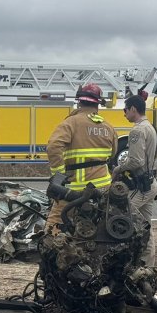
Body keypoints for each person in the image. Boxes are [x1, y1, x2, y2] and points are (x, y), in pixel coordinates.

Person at [45, 83, 118, 233]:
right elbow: (113, 154)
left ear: (79, 102)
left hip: (75, 189)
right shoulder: (108, 127)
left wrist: (59, 175)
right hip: (103, 189)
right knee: (102, 228)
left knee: (53, 227)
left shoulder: (71, 123)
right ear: (97, 105)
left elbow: (53, 146)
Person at [112, 94, 157, 267]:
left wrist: (118, 169)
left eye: (125, 110)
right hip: (150, 183)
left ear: (133, 109)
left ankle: (125, 263)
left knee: (119, 217)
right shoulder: (150, 127)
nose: (124, 114)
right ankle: (148, 266)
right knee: (146, 227)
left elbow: (136, 161)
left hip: (141, 187)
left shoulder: (137, 131)